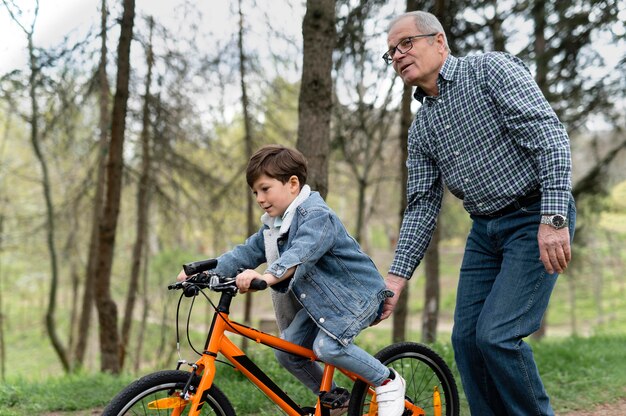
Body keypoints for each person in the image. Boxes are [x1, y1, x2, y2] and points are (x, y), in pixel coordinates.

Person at [379, 11, 576, 416]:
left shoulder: (490, 70)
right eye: (390, 53)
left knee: (497, 335)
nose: (397, 56)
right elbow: (421, 207)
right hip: (485, 230)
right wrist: (395, 280)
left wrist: (553, 220)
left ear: (439, 41)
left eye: (405, 44)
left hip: (535, 215)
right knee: (467, 341)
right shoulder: (422, 128)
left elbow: (551, 138)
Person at [178, 144, 406, 416]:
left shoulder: (317, 216)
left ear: (293, 184)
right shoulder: (274, 225)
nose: (260, 198)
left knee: (327, 347)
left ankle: (387, 380)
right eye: (255, 192)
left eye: (265, 188)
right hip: (321, 306)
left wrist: (265, 277)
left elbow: (300, 253)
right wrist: (204, 271)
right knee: (287, 351)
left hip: (355, 297)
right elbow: (246, 253)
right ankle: (336, 400)